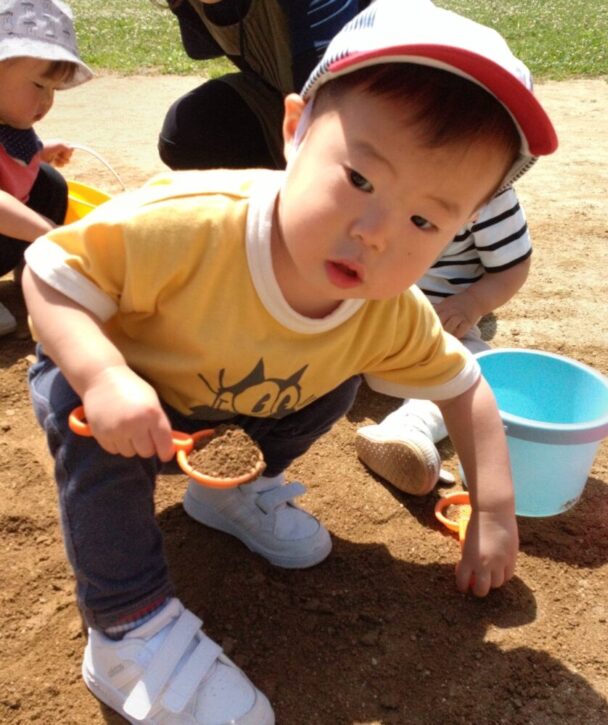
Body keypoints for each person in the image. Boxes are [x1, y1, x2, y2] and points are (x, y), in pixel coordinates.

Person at [23, 0, 557, 721]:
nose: (375, 233)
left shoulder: (387, 312)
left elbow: (466, 389)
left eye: (424, 220)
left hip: (225, 407)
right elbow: (50, 272)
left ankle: (230, 493)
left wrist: (493, 510)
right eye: (360, 180)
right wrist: (103, 374)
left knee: (333, 385)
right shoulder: (191, 223)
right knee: (77, 411)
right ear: (295, 130)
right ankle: (127, 627)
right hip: (123, 398)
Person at [356, 185, 533, 494]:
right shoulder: (372, 170)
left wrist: (472, 303)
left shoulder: (489, 191)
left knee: (473, 367)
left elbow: (512, 267)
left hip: (435, 323)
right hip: (358, 313)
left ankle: (410, 426)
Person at [159, 0, 370, 170]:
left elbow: (330, 104)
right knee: (189, 130)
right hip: (289, 101)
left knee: (327, 132)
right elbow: (204, 47)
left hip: (367, 114)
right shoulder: (188, 5)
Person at [0, 0, 92, 336]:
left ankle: (34, 271)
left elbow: (9, 159)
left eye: (54, 90)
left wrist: (39, 153)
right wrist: (48, 231)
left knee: (49, 182)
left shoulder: (10, 122)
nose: (48, 101)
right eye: (39, 85)